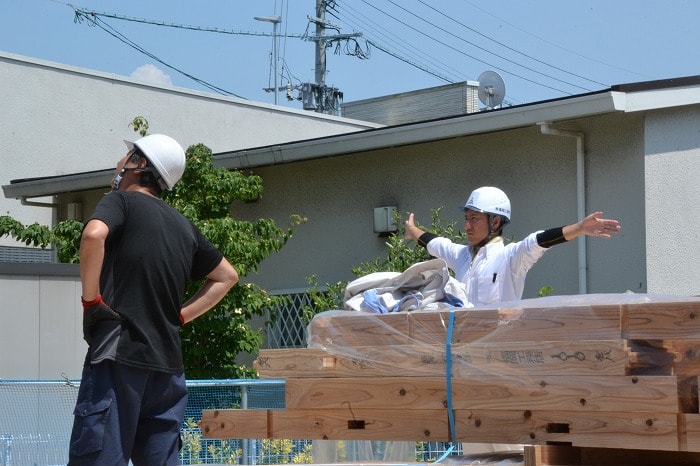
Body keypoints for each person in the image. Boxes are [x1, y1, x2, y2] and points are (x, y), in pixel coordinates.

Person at [68, 134, 239, 465]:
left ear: (139, 163)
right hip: (168, 370)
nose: (119, 163)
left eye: (126, 155)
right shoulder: (184, 226)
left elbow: (93, 235)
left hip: (119, 359)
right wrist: (182, 316)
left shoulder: (120, 202)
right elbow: (227, 276)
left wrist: (91, 302)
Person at [404, 186, 621, 307]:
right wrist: (413, 231)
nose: (467, 225)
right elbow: (436, 244)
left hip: (498, 349)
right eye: (467, 218)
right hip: (464, 349)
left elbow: (539, 241)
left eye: (475, 219)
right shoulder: (461, 255)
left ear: (495, 222)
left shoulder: (510, 258)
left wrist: (580, 227)